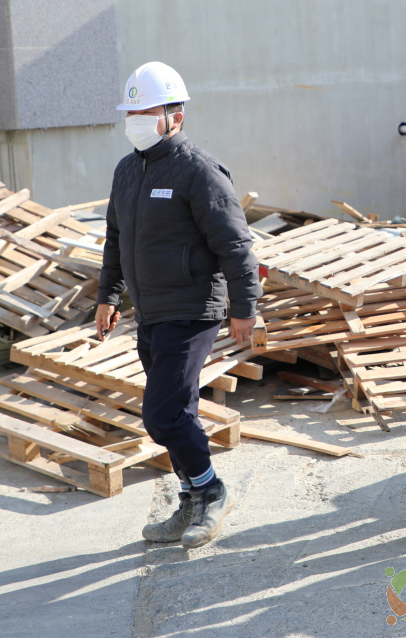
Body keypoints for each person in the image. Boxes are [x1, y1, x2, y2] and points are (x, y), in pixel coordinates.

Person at [96, 62, 261, 549]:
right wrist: (108, 295)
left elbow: (235, 244)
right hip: (150, 311)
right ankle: (191, 499)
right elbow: (115, 238)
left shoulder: (198, 170)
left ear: (176, 117)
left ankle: (211, 491)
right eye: (132, 113)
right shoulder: (127, 170)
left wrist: (244, 307)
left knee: (162, 414)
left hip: (192, 309)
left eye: (147, 112)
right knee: (178, 410)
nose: (136, 121)